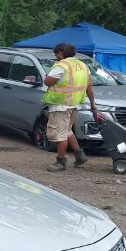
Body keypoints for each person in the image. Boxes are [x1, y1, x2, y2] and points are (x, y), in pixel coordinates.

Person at [42, 43, 99, 172]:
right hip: (75, 104)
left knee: (60, 134)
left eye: (56, 54)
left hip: (61, 105)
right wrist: (92, 103)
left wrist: (48, 76)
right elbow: (89, 87)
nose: (56, 57)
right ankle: (80, 155)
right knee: (67, 131)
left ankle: (60, 162)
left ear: (61, 53)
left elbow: (47, 82)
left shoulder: (61, 66)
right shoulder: (83, 66)